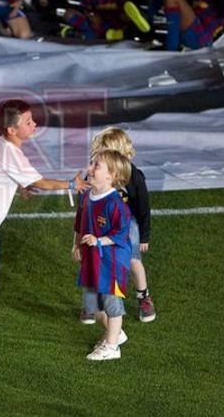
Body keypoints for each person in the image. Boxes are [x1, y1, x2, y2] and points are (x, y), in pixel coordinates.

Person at [0, 99, 88, 324]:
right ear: (12, 129)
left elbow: (1, 171)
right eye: (28, 122)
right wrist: (72, 184)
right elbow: (41, 182)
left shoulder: (3, 144)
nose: (34, 124)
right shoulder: (11, 153)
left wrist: (21, 185)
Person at [83, 127, 155, 323]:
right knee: (95, 260)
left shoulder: (134, 176)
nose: (96, 159)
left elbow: (143, 208)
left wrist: (144, 236)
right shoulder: (95, 173)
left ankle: (143, 296)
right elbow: (86, 198)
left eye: (103, 153)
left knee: (132, 260)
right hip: (101, 224)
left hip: (126, 223)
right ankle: (93, 305)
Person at [72, 148, 132, 361]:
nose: (89, 168)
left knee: (111, 303)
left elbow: (122, 233)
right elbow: (79, 222)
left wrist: (98, 241)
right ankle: (115, 334)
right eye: (91, 163)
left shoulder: (115, 204)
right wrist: (77, 245)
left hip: (112, 261)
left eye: (96, 165)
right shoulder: (87, 196)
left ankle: (112, 347)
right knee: (92, 306)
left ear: (112, 175)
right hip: (92, 258)